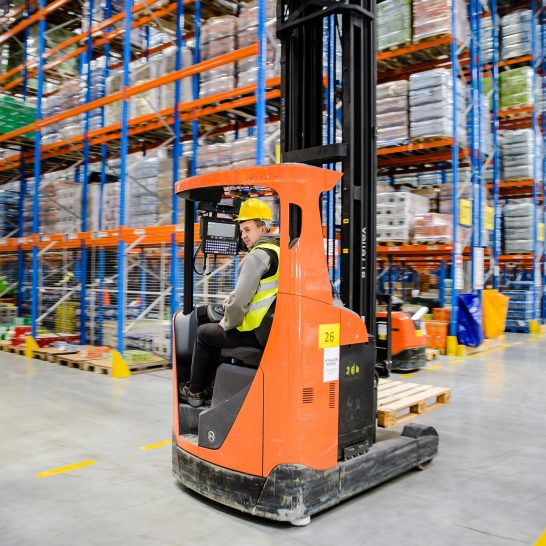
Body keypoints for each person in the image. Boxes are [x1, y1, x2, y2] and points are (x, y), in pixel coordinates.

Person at [180, 198, 280, 407]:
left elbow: (238, 305)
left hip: (255, 331)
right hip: (270, 327)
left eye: (248, 230)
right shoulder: (281, 251)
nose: (243, 236)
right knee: (215, 330)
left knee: (205, 333)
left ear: (262, 229)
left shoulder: (257, 256)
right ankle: (212, 385)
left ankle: (195, 391)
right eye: (241, 230)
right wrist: (234, 299)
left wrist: (226, 322)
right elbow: (263, 289)